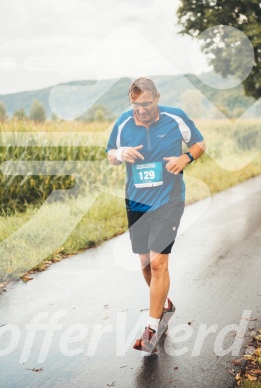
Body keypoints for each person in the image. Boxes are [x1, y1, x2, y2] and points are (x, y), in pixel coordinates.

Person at [106, 77, 206, 352]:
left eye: (147, 104)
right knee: (144, 262)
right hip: (137, 201)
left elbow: (200, 143)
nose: (141, 110)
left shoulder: (176, 118)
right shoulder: (124, 122)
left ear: (157, 98)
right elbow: (110, 155)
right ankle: (165, 303)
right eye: (136, 105)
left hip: (168, 200)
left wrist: (185, 158)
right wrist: (121, 152)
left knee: (159, 262)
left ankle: (152, 326)